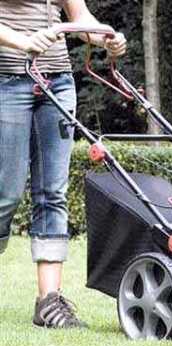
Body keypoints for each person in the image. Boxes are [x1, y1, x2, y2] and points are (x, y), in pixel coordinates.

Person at [0, 0, 126, 328]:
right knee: (6, 194)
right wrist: (22, 41)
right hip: (8, 80)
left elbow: (79, 17)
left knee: (53, 192)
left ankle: (49, 301)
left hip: (57, 82)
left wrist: (105, 37)